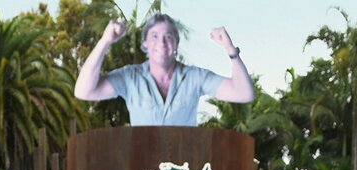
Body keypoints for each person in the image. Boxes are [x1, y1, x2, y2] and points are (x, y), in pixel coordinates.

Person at [75, 13, 254, 126]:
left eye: (168, 37)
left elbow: (243, 93)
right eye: (154, 36)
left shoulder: (195, 77)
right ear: (145, 43)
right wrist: (105, 41)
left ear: (176, 43)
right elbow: (84, 91)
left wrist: (230, 49)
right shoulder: (130, 77)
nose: (161, 43)